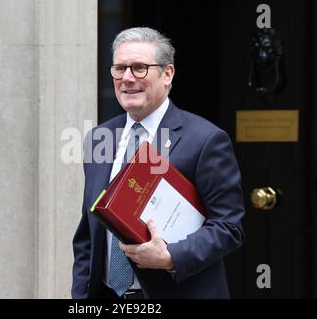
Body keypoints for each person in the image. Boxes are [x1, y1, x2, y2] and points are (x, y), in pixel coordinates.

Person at [71, 27, 245, 299]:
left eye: (139, 68)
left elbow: (229, 228)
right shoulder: (99, 139)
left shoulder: (205, 139)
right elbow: (87, 234)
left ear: (167, 74)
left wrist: (170, 256)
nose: (127, 78)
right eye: (119, 68)